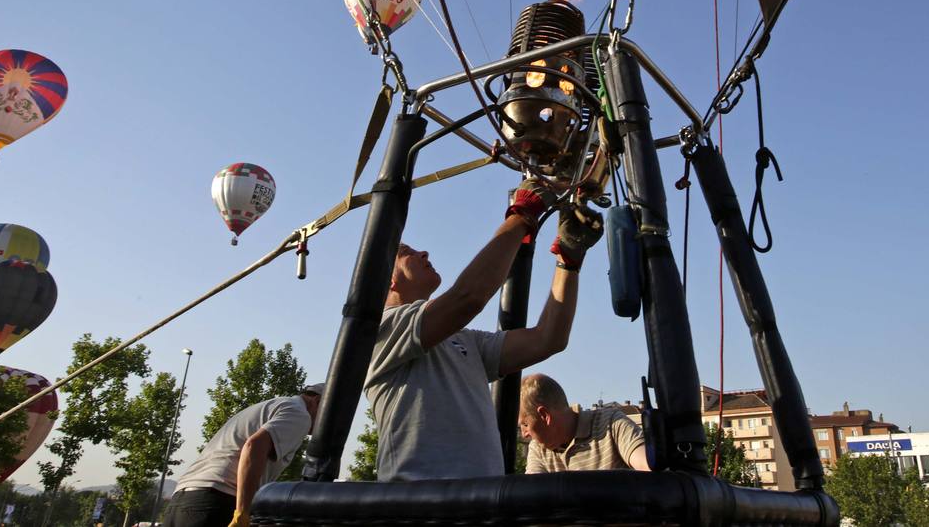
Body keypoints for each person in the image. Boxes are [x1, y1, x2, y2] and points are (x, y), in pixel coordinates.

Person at [366, 180, 603, 481]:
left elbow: (549, 338)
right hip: (421, 507)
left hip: (481, 505)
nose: (424, 252)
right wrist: (522, 215)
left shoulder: (462, 340)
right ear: (387, 281)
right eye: (406, 252)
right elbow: (469, 297)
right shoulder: (381, 330)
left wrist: (568, 262)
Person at [162, 384, 323, 527]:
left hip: (182, 500)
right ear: (316, 401)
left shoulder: (272, 406)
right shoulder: (300, 414)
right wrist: (242, 513)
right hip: (218, 501)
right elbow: (254, 446)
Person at [520, 373, 650, 472]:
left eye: (525, 424)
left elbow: (649, 468)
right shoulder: (538, 448)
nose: (524, 434)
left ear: (544, 416)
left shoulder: (612, 423)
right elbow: (531, 502)